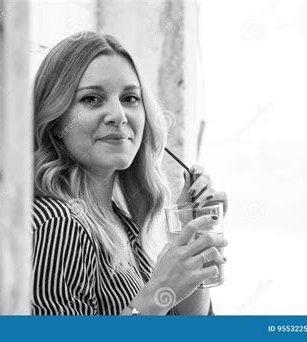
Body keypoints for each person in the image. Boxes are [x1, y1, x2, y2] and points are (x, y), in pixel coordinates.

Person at [31, 32, 228, 315]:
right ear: (53, 118)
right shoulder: (59, 225)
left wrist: (191, 242)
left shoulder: (115, 218)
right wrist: (161, 291)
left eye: (130, 98)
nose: (119, 116)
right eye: (92, 99)